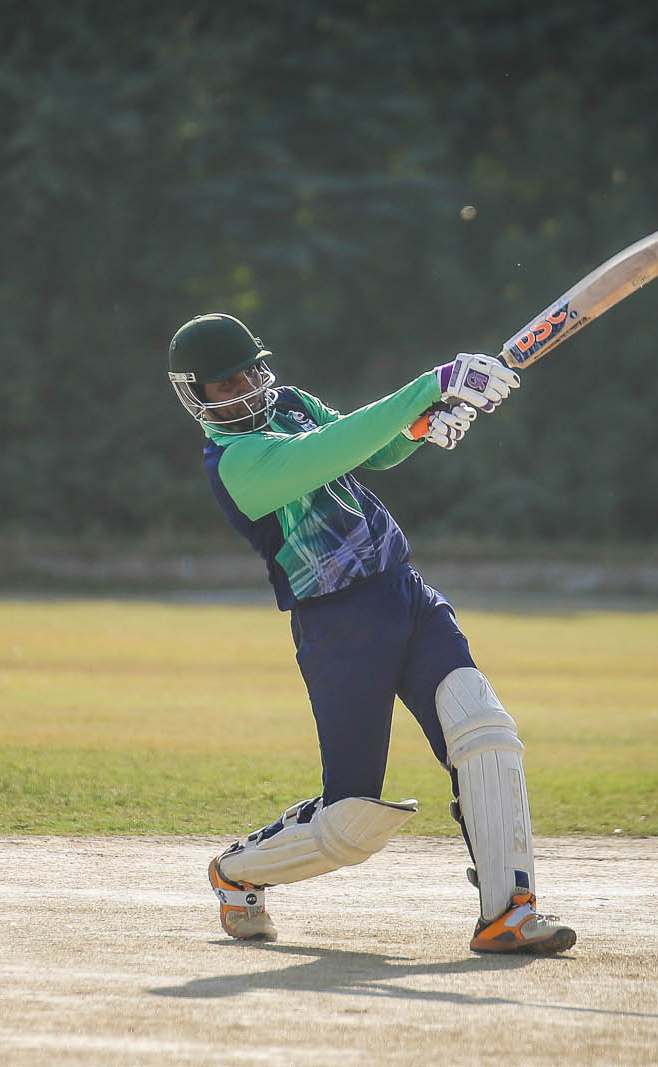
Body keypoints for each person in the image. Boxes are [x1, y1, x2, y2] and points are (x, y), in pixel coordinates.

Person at [167, 313, 575, 955]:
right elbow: (327, 453)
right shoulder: (234, 463)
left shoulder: (290, 403)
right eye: (226, 383)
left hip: (406, 593)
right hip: (338, 626)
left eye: (250, 371)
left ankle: (508, 913)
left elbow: (371, 450)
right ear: (197, 396)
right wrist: (433, 384)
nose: (246, 387)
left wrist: (417, 428)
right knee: (351, 819)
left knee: (486, 734)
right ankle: (236, 874)